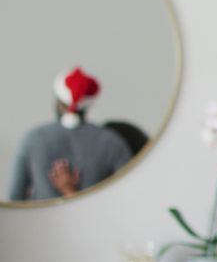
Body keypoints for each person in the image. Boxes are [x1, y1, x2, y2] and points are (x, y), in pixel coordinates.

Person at [7, 67, 132, 201]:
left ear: (58, 103)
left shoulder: (33, 139)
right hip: (93, 220)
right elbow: (129, 195)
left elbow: (14, 197)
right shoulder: (111, 142)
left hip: (41, 222)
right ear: (88, 106)